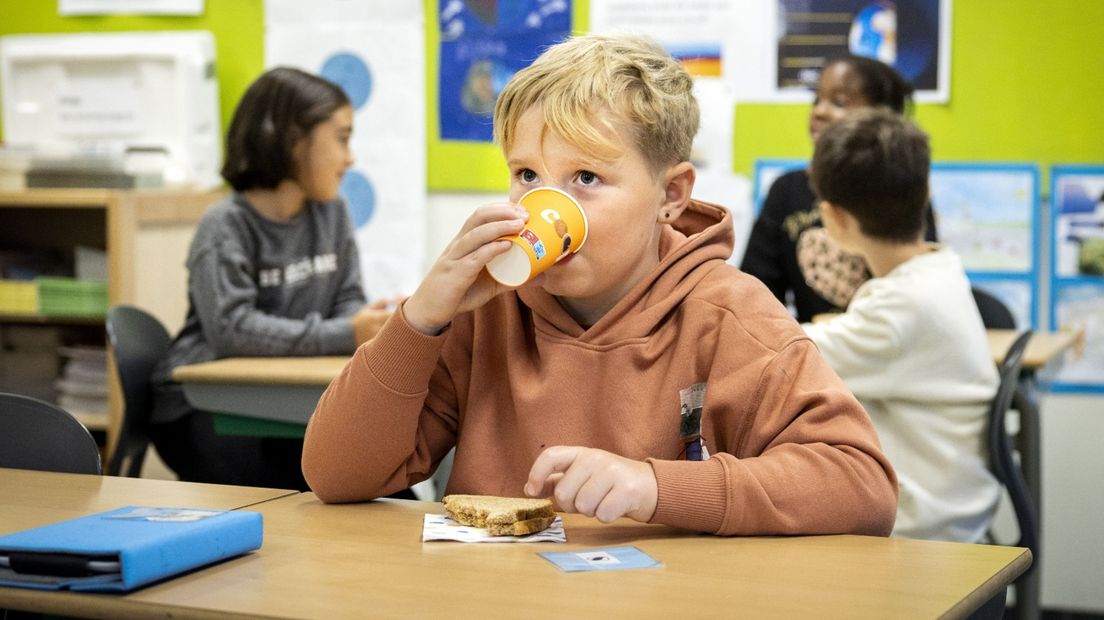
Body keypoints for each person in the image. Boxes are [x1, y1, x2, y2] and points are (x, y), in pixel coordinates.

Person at [302, 33, 897, 536]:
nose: (547, 204)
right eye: (527, 174)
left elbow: (861, 485)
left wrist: (658, 487)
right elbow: (335, 473)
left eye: (586, 176)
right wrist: (420, 319)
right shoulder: (486, 310)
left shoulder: (728, 314)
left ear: (670, 196)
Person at [149, 67, 396, 491]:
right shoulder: (224, 225)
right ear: (292, 139)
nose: (350, 157)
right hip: (199, 406)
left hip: (282, 401)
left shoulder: (331, 212)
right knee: (286, 497)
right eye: (341, 137)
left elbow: (348, 298)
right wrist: (346, 332)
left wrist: (359, 324)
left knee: (385, 491)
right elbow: (232, 330)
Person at [801, 108, 1000, 542]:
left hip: (922, 530)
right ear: (926, 192)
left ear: (832, 218)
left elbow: (787, 352)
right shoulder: (938, 269)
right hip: (952, 509)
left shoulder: (899, 308)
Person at [741, 55, 938, 323]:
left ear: (882, 119)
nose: (819, 111)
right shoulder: (787, 190)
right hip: (816, 352)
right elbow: (754, 294)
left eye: (839, 102)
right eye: (817, 100)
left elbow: (914, 279)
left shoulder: (900, 188)